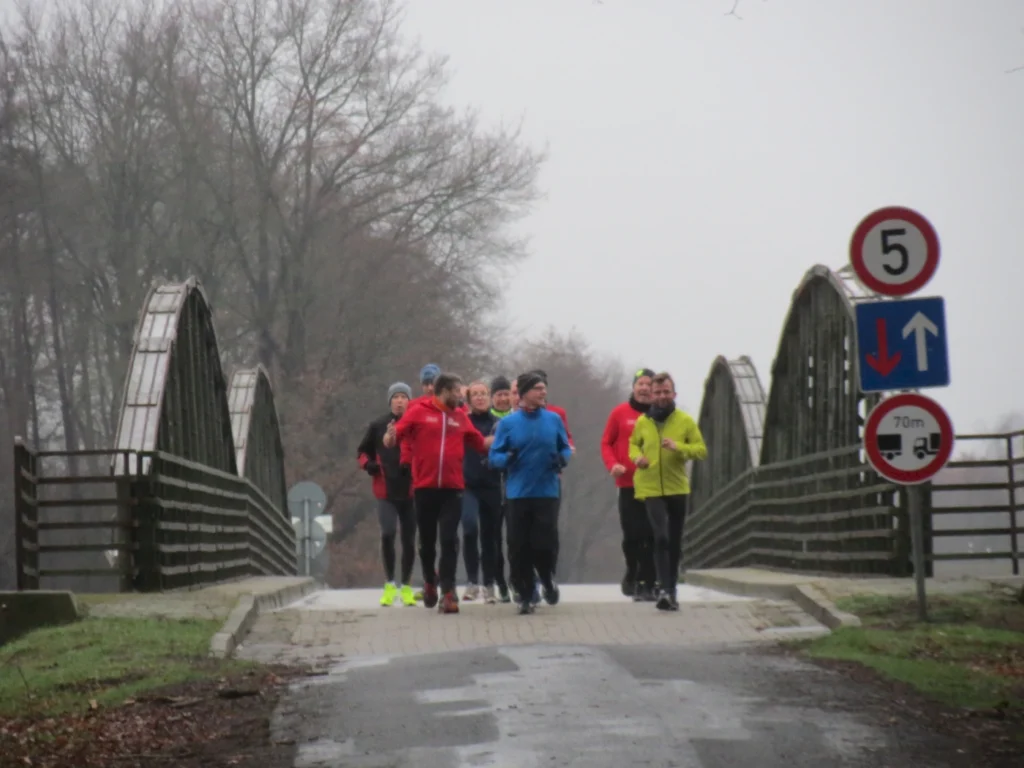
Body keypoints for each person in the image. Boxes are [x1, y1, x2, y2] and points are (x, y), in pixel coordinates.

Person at [386, 372, 493, 613]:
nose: (460, 396)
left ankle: (448, 591)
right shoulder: (418, 411)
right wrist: (389, 437)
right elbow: (394, 437)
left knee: (449, 539)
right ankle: (429, 581)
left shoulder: (461, 417)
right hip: (425, 487)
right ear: (443, 391)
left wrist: (500, 439)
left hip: (453, 489)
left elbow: (480, 443)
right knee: (427, 542)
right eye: (456, 391)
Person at [489, 371, 573, 615]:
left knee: (544, 544)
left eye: (544, 388)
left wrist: (561, 459)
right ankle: (525, 594)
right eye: (538, 388)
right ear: (524, 393)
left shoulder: (553, 420)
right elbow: (494, 456)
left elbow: (565, 448)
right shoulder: (508, 424)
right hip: (518, 493)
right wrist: (507, 458)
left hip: (546, 491)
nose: (543, 392)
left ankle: (546, 578)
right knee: (518, 546)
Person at [628, 372, 707, 611]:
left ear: (674, 394)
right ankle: (663, 589)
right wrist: (637, 458)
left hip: (677, 488)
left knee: (674, 541)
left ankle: (671, 591)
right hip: (651, 487)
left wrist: (678, 447)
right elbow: (633, 445)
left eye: (666, 392)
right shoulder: (643, 422)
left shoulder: (685, 421)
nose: (662, 396)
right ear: (652, 395)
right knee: (660, 537)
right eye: (658, 392)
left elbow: (700, 450)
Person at [356, 382, 418, 607]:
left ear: (410, 400)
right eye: (396, 397)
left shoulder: (415, 424)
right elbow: (362, 452)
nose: (400, 401)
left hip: (411, 490)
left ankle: (407, 587)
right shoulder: (378, 425)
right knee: (388, 533)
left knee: (409, 539)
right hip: (385, 490)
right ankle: (390, 584)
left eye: (404, 397)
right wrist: (369, 465)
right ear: (390, 401)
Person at [601, 368, 658, 602]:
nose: (644, 388)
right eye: (640, 384)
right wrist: (613, 464)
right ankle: (632, 570)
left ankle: (648, 582)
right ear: (634, 387)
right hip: (627, 483)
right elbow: (606, 443)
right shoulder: (620, 413)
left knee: (652, 533)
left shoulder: (660, 415)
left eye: (648, 384)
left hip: (655, 484)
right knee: (632, 534)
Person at [460, 380, 504, 603]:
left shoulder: (499, 424)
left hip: (492, 484)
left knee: (490, 536)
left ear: (490, 397)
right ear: (469, 400)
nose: (479, 397)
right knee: (469, 528)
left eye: (483, 394)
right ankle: (472, 582)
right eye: (475, 394)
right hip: (467, 485)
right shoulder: (463, 422)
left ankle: (489, 584)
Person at [487, 376, 514, 603]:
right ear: (492, 397)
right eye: (499, 395)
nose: (503, 398)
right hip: (492, 485)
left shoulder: (518, 418)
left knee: (515, 537)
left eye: (506, 394)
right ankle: (500, 582)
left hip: (514, 486)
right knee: (494, 538)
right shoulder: (487, 419)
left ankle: (517, 579)